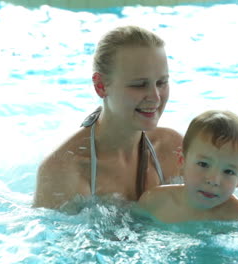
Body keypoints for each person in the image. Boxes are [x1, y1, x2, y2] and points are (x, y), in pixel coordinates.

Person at [33, 25, 183, 209]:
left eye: (162, 82)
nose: (155, 96)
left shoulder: (173, 149)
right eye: (139, 85)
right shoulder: (66, 171)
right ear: (101, 86)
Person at [139, 110, 238, 222]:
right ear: (182, 161)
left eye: (228, 171)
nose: (213, 180)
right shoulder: (155, 201)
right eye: (203, 164)